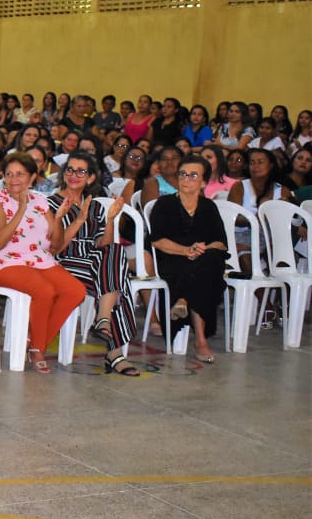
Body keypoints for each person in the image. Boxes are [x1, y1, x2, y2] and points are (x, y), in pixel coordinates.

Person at [0, 152, 86, 374]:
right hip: (5, 262)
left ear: (32, 177)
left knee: (75, 291)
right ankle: (38, 349)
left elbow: (55, 245)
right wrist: (20, 209)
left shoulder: (40, 201)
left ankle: (33, 340)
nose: (14, 179)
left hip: (39, 260)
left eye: (20, 174)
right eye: (9, 174)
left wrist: (58, 219)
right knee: (44, 291)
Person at [47, 153, 139, 375]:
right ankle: (114, 353)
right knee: (117, 281)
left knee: (114, 255)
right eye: (70, 169)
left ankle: (104, 319)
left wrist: (110, 219)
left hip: (94, 261)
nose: (74, 175)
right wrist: (78, 220)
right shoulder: (50, 204)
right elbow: (55, 248)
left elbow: (103, 244)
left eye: (81, 171)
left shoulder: (95, 206)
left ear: (90, 178)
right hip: (64, 261)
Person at [148, 154, 227, 363]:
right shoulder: (164, 204)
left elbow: (221, 242)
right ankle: (200, 341)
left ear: (203, 182)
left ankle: (183, 300)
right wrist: (186, 251)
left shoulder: (209, 207)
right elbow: (157, 241)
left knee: (210, 260)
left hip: (203, 260)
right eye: (183, 174)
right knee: (203, 273)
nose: (186, 179)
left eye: (193, 175)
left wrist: (201, 250)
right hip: (172, 259)